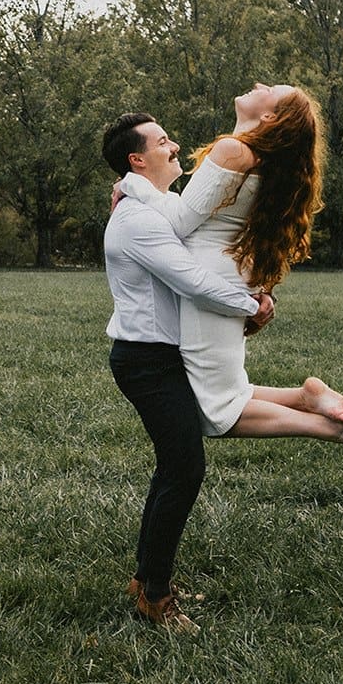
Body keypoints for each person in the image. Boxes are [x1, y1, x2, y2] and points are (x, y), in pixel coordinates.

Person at [115, 84, 343, 447]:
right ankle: (304, 398)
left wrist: (133, 186)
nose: (259, 86)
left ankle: (327, 427)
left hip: (210, 280)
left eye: (269, 90)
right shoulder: (259, 160)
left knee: (215, 409)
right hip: (231, 276)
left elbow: (180, 221)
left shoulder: (233, 150)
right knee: (227, 389)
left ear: (269, 117)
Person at [102, 112, 271, 634]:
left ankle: (145, 578)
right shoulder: (137, 220)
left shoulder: (155, 206)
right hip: (147, 362)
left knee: (173, 467)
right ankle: (155, 597)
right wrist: (251, 305)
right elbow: (192, 279)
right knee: (184, 469)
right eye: (162, 142)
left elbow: (191, 224)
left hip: (159, 357)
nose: (174, 146)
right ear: (138, 159)